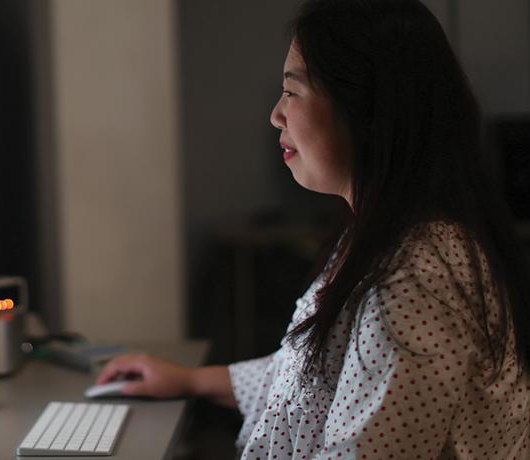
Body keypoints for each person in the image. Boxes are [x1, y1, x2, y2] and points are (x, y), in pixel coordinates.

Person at [95, 0, 530, 458]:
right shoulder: (380, 233)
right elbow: (306, 376)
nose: (276, 115)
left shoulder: (418, 275)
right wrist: (189, 380)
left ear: (366, 109)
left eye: (293, 92)